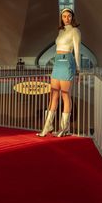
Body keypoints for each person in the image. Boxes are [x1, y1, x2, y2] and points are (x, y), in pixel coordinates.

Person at [37, 7, 81, 137]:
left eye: (69, 16)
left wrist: (78, 69)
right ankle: (47, 126)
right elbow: (58, 47)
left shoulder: (75, 31)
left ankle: (64, 128)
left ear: (72, 17)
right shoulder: (61, 31)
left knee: (65, 95)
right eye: (64, 16)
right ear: (61, 18)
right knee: (53, 95)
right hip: (57, 62)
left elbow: (77, 51)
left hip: (67, 61)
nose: (66, 18)